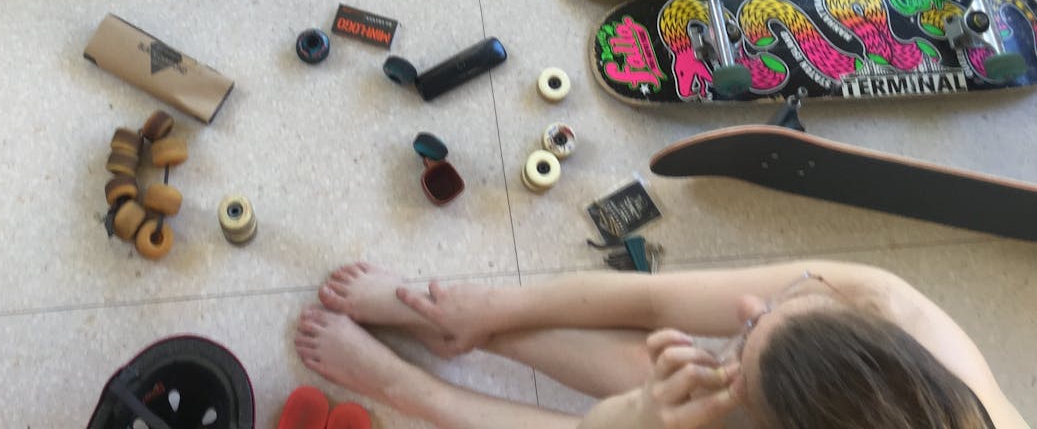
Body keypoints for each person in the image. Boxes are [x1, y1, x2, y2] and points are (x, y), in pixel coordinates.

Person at [295, 260, 1028, 428]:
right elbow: (654, 298)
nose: (744, 305)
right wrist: (494, 309)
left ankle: (416, 387)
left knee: (669, 402)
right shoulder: (887, 304)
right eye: (774, 309)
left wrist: (641, 417)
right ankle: (463, 332)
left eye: (749, 327)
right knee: (684, 372)